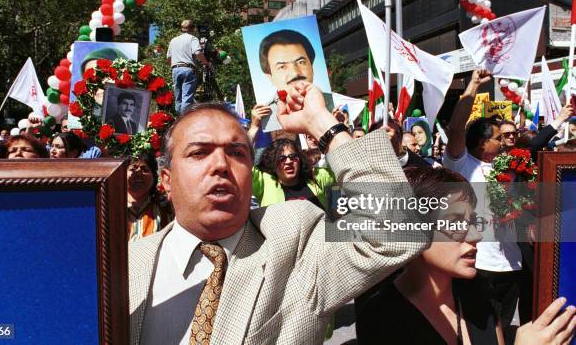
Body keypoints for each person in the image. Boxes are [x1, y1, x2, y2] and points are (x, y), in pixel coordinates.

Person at [128, 82, 429, 345]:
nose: (221, 165)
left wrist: (322, 124)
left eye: (237, 153)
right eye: (199, 152)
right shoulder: (126, 265)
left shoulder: (293, 238)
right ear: (166, 179)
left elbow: (394, 231)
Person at [357, 166, 576, 345]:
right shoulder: (382, 319)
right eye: (455, 223)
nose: (476, 235)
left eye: (472, 221)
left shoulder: (478, 291)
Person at [444, 69, 521, 334]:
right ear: (481, 142)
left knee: (503, 328)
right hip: (480, 266)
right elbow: (455, 129)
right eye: (498, 138)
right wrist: (473, 86)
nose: (504, 143)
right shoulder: (461, 164)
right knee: (480, 331)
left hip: (511, 264)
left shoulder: (510, 167)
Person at [254, 138, 334, 211]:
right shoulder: (264, 183)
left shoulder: (315, 177)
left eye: (293, 156)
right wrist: (254, 128)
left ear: (300, 160)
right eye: (281, 158)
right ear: (272, 163)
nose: (288, 161)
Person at [126, 152, 173, 241]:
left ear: (154, 177)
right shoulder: (111, 207)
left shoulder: (166, 206)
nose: (139, 173)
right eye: (133, 168)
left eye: (145, 169)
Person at [167, 20, 209, 114]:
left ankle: (178, 118)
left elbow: (169, 58)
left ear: (181, 28)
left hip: (175, 69)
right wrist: (206, 63)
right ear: (193, 29)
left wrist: (175, 67)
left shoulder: (173, 40)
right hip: (187, 69)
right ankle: (184, 120)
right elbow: (197, 52)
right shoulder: (192, 38)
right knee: (187, 97)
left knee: (178, 98)